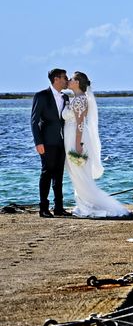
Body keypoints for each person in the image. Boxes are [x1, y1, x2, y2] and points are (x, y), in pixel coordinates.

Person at [63, 71, 130, 218]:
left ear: (78, 83)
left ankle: (88, 205)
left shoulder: (80, 99)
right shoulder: (76, 98)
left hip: (76, 138)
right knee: (77, 172)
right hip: (71, 137)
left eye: (72, 79)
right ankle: (84, 203)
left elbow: (80, 123)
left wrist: (78, 144)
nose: (68, 80)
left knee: (79, 171)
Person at [31, 69, 72, 217]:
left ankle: (59, 208)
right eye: (64, 77)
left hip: (62, 142)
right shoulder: (41, 96)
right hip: (46, 142)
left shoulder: (66, 97)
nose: (67, 80)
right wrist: (38, 142)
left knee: (59, 175)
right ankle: (43, 208)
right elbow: (34, 121)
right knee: (46, 173)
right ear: (56, 79)